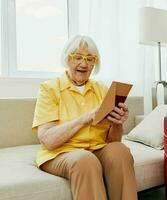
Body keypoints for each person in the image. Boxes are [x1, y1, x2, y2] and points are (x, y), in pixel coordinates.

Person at [32, 35, 137, 200]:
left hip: (97, 149)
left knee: (120, 151)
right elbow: (48, 140)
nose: (84, 64)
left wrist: (117, 124)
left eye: (90, 58)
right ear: (67, 59)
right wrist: (85, 118)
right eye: (78, 57)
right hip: (61, 153)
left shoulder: (102, 90)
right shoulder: (49, 89)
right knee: (85, 160)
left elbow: (113, 142)